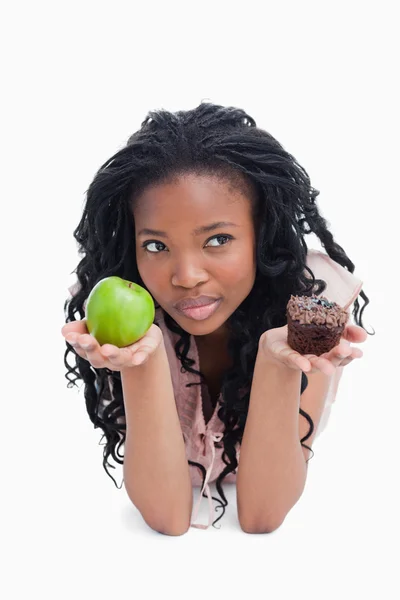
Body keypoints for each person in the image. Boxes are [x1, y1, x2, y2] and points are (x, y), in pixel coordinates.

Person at [61, 101, 371, 535]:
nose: (186, 277)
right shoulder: (118, 306)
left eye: (218, 239)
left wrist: (277, 362)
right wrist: (140, 361)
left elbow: (263, 515)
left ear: (260, 233)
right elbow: (167, 518)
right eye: (155, 246)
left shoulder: (311, 300)